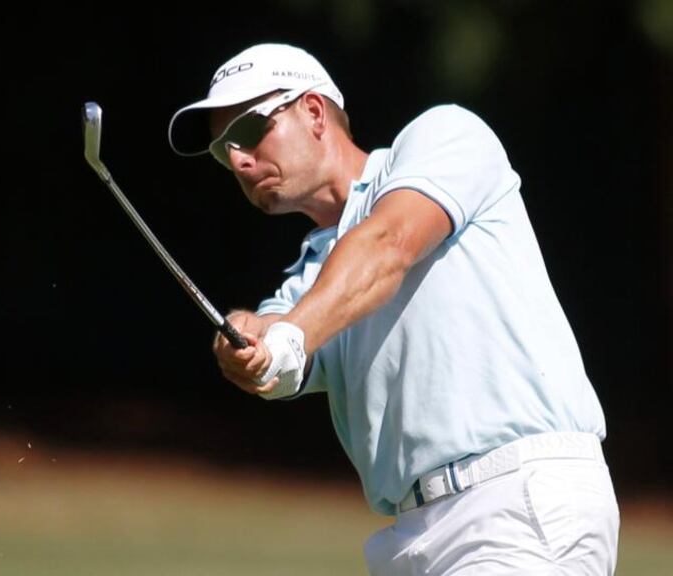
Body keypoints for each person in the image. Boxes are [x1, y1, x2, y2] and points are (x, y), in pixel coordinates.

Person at [168, 43, 619, 575]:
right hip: (412, 537)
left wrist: (291, 334)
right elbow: (275, 334)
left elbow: (388, 245)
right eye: (224, 151)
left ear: (313, 111)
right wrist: (246, 339)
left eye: (246, 132)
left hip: (516, 501)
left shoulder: (446, 138)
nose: (239, 160)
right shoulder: (310, 279)